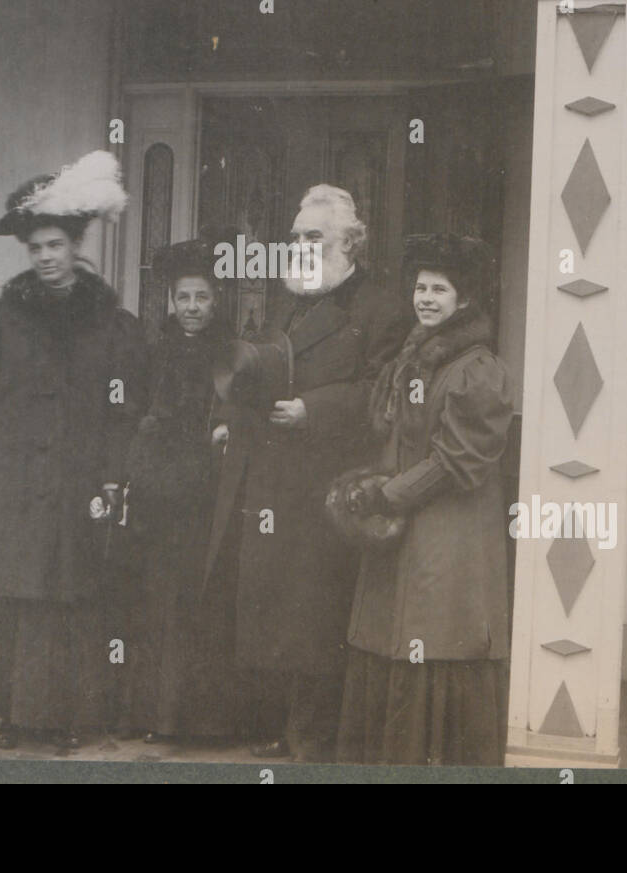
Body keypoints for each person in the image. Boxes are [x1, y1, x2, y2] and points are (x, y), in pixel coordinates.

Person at [0, 151, 148, 751]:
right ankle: (15, 714)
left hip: (77, 482)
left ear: (74, 246)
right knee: (14, 593)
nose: (45, 257)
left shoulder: (110, 325)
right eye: (35, 247)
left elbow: (123, 410)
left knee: (68, 596)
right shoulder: (0, 318)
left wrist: (113, 478)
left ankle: (68, 718)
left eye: (55, 246)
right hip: (11, 480)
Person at [210, 185, 407, 762]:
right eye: (295, 237)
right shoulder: (290, 303)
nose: (299, 246)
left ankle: (316, 740)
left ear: (350, 243)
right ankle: (282, 727)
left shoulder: (381, 308)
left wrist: (314, 410)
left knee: (317, 613)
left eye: (313, 237)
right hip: (272, 478)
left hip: (329, 486)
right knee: (274, 610)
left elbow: (383, 391)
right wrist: (232, 417)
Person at [335, 233, 515, 766]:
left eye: (440, 289)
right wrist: (369, 484)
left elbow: (457, 460)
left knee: (433, 642)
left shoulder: (477, 369)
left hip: (449, 538)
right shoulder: (411, 359)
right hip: (404, 534)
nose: (427, 298)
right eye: (420, 288)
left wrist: (387, 495)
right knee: (391, 641)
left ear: (463, 301)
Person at [122, 237, 241, 743]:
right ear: (172, 301)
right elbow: (137, 418)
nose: (192, 308)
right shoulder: (155, 353)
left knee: (200, 604)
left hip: (207, 497)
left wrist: (222, 432)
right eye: (184, 298)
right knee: (157, 602)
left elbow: (242, 414)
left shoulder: (232, 355)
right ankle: (152, 716)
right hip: (159, 497)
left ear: (217, 302)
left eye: (202, 298)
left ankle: (198, 722)